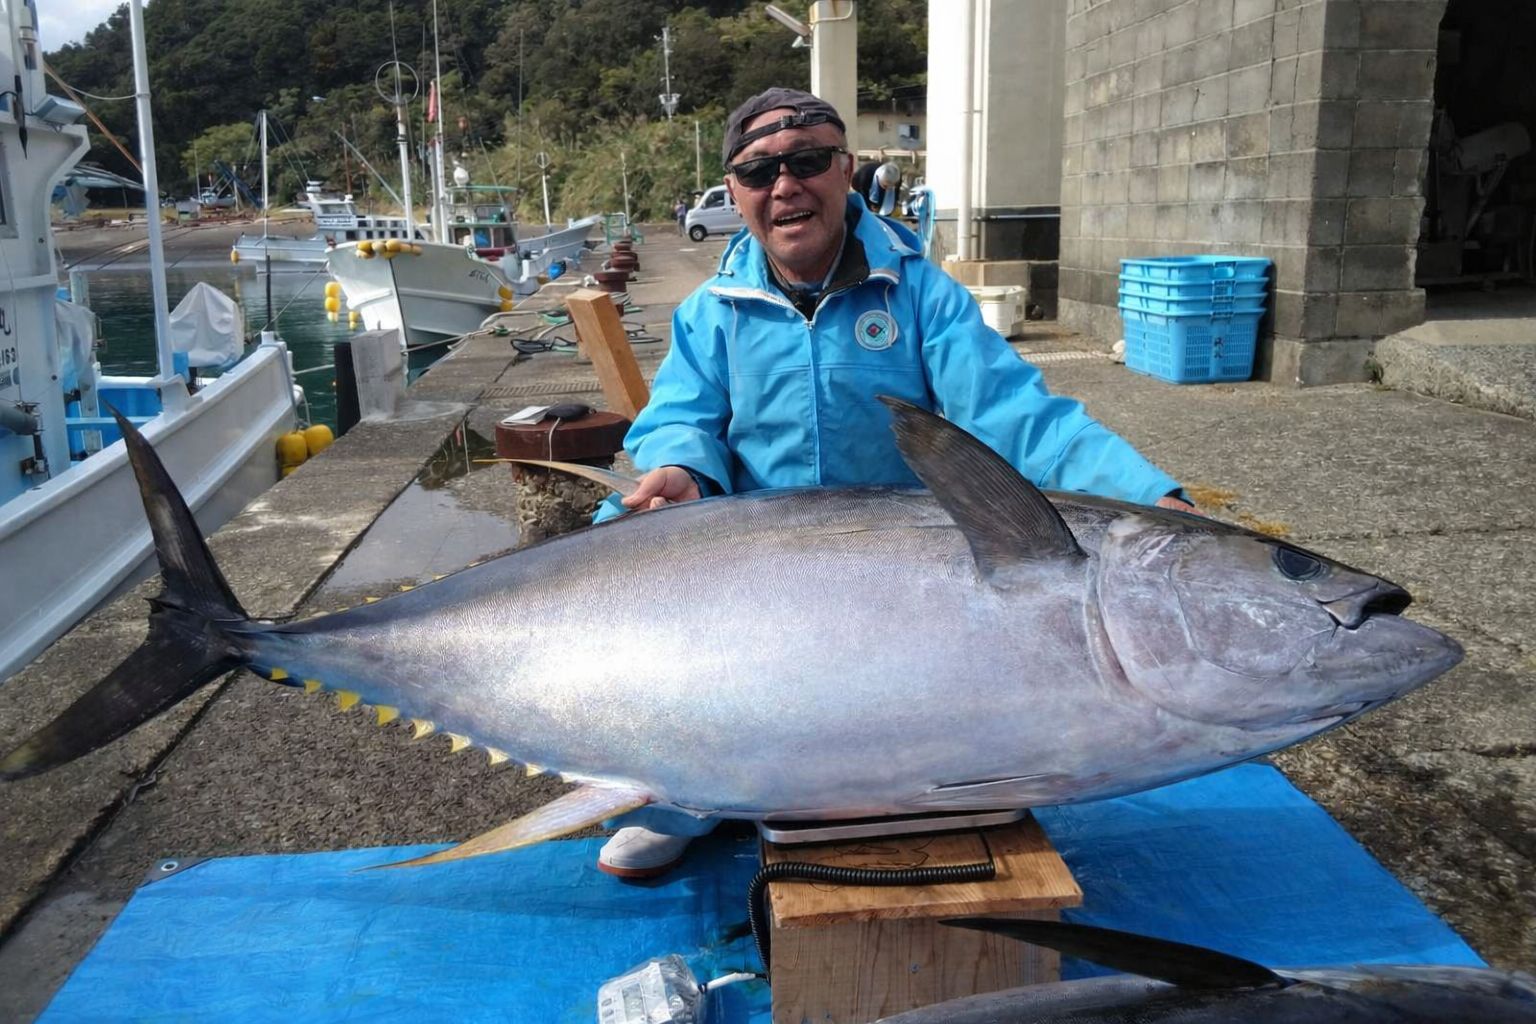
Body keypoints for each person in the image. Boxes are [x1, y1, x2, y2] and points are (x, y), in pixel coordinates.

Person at [592, 87, 1194, 879]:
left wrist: (1144, 493)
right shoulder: (710, 311)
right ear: (735, 192)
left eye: (807, 162)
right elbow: (680, 415)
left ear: (844, 170)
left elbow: (1017, 417)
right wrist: (678, 467)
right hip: (752, 553)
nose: (786, 186)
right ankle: (680, 798)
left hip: (892, 561)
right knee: (623, 552)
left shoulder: (919, 292)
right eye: (759, 170)